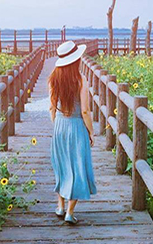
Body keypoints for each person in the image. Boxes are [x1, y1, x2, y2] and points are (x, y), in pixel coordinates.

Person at [48, 41, 97, 225]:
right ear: (75, 60)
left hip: (60, 125)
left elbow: (52, 108)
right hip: (76, 126)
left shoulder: (53, 78)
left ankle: (60, 207)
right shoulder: (80, 79)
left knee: (61, 166)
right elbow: (85, 111)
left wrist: (58, 125)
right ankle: (69, 212)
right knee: (77, 167)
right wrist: (91, 132)